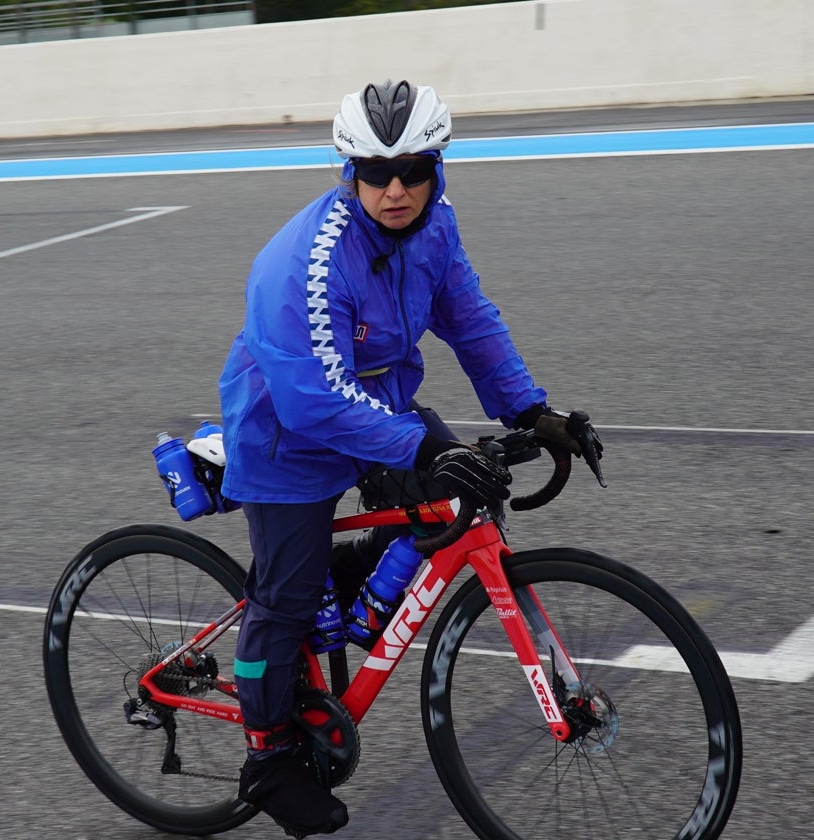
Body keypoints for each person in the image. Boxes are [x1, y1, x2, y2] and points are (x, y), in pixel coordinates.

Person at [217, 79, 602, 837]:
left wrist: (531, 410)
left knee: (464, 493)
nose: (396, 190)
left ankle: (353, 575)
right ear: (349, 172)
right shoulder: (308, 263)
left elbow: (469, 319)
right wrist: (426, 442)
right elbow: (313, 403)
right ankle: (266, 757)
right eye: (376, 173)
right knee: (286, 599)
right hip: (285, 432)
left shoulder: (435, 229)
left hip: (376, 406)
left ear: (437, 170)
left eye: (414, 171)